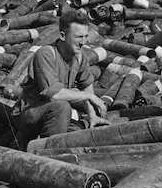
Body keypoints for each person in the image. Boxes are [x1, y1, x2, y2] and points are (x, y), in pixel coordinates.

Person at [12, 10, 109, 142]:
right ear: (63, 36)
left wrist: (92, 114)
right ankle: (47, 152)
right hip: (29, 114)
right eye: (79, 37)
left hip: (53, 113)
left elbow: (86, 86)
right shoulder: (45, 54)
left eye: (85, 36)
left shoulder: (79, 56)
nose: (83, 42)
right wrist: (89, 96)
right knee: (62, 106)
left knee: (83, 117)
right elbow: (54, 95)